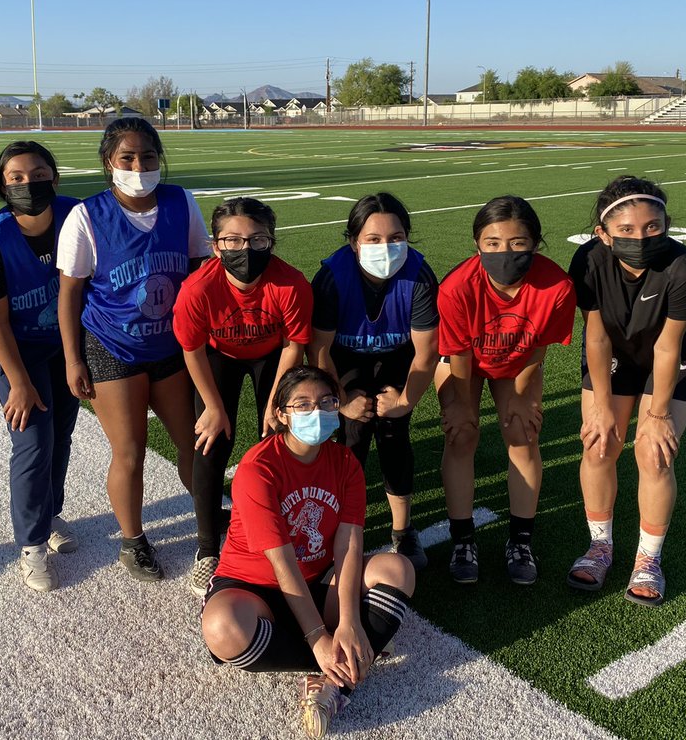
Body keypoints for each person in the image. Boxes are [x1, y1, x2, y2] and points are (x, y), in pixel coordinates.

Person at [200, 366, 416, 740]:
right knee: (222, 627)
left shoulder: (346, 464)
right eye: (302, 404)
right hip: (254, 587)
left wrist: (348, 621)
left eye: (327, 402)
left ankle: (332, 681)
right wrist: (318, 638)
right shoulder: (258, 467)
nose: (316, 411)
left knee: (398, 570)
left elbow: (348, 545)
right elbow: (281, 563)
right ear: (282, 414)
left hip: (315, 582)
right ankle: (342, 659)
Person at [56, 116, 210, 582]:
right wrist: (73, 358)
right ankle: (133, 540)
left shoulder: (181, 202)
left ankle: (209, 526)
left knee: (194, 444)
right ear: (110, 162)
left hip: (171, 345)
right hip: (112, 346)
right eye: (128, 157)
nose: (139, 164)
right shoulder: (86, 216)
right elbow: (69, 294)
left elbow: (202, 268)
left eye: (147, 155)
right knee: (130, 451)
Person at [566, 176, 686, 607]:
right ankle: (600, 546)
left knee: (653, 451)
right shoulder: (588, 261)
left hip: (675, 355)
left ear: (666, 226)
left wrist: (658, 414)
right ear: (602, 234)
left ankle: (648, 558)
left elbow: (668, 346)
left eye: (652, 227)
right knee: (598, 444)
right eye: (626, 230)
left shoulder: (684, 268)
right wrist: (603, 409)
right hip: (615, 352)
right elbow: (595, 337)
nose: (641, 238)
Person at [173, 197, 313, 595]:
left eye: (257, 240)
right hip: (220, 355)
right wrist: (214, 406)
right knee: (211, 440)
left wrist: (275, 401)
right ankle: (206, 549)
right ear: (215, 246)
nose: (244, 250)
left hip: (272, 354)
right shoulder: (198, 288)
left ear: (272, 241)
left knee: (275, 439)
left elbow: (293, 344)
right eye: (232, 241)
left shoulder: (291, 283)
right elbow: (192, 349)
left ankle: (274, 526)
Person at [435, 196, 576, 586]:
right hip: (463, 362)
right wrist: (463, 405)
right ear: (477, 244)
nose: (505, 251)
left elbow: (538, 347)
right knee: (462, 434)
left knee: (521, 431)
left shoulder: (556, 286)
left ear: (535, 243)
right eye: (493, 242)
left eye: (518, 242)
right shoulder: (457, 287)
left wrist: (520, 395)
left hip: (517, 362)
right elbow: (459, 354)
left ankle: (521, 539)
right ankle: (463, 540)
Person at [0, 141, 81, 593]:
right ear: (2, 184)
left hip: (67, 343)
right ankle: (31, 544)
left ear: (54, 177)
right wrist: (16, 383)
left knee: (62, 432)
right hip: (18, 350)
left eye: (38, 173)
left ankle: (50, 510)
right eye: (16, 177)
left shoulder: (77, 216)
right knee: (33, 439)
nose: (28, 183)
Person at [309, 193, 439, 571]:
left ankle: (402, 530)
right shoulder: (332, 277)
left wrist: (406, 400)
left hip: (397, 356)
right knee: (352, 432)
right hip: (343, 358)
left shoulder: (419, 276)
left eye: (396, 237)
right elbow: (319, 350)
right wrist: (342, 399)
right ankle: (344, 521)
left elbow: (426, 353)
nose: (387, 247)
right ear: (353, 242)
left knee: (394, 432)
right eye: (374, 239)